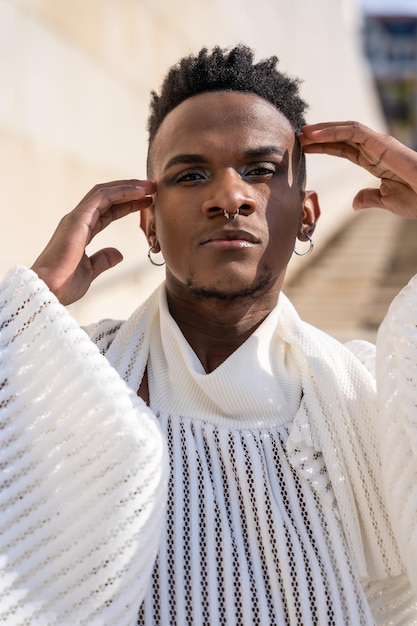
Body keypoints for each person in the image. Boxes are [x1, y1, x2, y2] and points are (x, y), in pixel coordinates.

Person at [1, 45, 417, 626]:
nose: (229, 197)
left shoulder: (375, 404)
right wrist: (26, 313)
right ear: (149, 222)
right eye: (191, 174)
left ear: (307, 214)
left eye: (262, 171)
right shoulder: (70, 383)